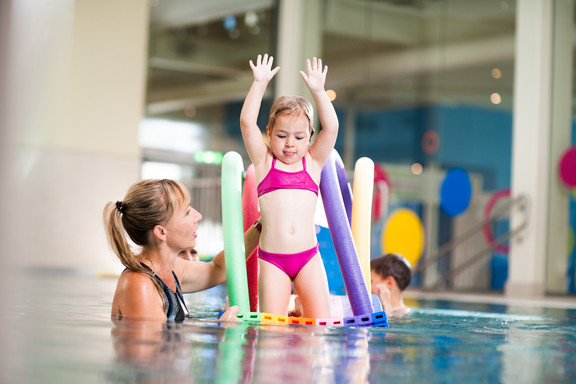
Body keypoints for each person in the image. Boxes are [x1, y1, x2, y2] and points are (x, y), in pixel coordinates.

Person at [240, 53, 339, 318]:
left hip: (308, 257)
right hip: (273, 259)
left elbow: (331, 128)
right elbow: (247, 123)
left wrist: (318, 92)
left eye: (298, 137)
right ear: (270, 134)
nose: (290, 144)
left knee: (321, 324)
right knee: (272, 330)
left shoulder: (313, 162)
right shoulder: (263, 163)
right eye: (282, 136)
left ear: (309, 137)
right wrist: (259, 84)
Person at [103, 179, 261, 322]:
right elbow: (152, 350)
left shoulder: (171, 269)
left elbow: (219, 269)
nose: (198, 216)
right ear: (161, 232)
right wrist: (222, 326)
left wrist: (261, 225)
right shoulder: (139, 284)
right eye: (187, 212)